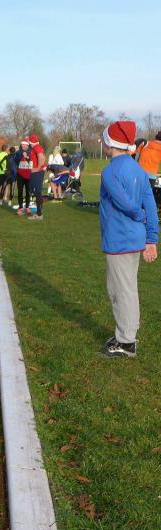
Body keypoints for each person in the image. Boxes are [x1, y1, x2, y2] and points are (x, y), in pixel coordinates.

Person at [98, 121, 158, 357]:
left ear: (110, 144)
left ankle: (126, 342)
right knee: (127, 288)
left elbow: (126, 204)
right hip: (134, 239)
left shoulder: (110, 171)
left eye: (104, 139)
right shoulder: (139, 169)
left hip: (119, 240)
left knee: (120, 291)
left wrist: (139, 216)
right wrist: (151, 238)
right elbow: (151, 206)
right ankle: (126, 332)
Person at [26, 133, 46, 220]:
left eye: (29, 141)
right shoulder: (36, 147)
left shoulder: (36, 147)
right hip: (36, 172)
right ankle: (38, 212)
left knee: (37, 192)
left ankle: (39, 214)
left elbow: (41, 157)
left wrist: (37, 168)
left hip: (37, 172)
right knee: (34, 191)